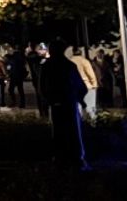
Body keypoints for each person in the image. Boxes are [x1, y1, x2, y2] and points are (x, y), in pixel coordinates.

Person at [41, 41, 88, 171]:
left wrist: (48, 100)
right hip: (69, 102)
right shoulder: (69, 65)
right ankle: (77, 158)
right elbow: (81, 86)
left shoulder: (46, 66)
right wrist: (80, 99)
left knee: (58, 132)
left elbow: (42, 87)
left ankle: (59, 158)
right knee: (74, 132)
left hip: (56, 104)